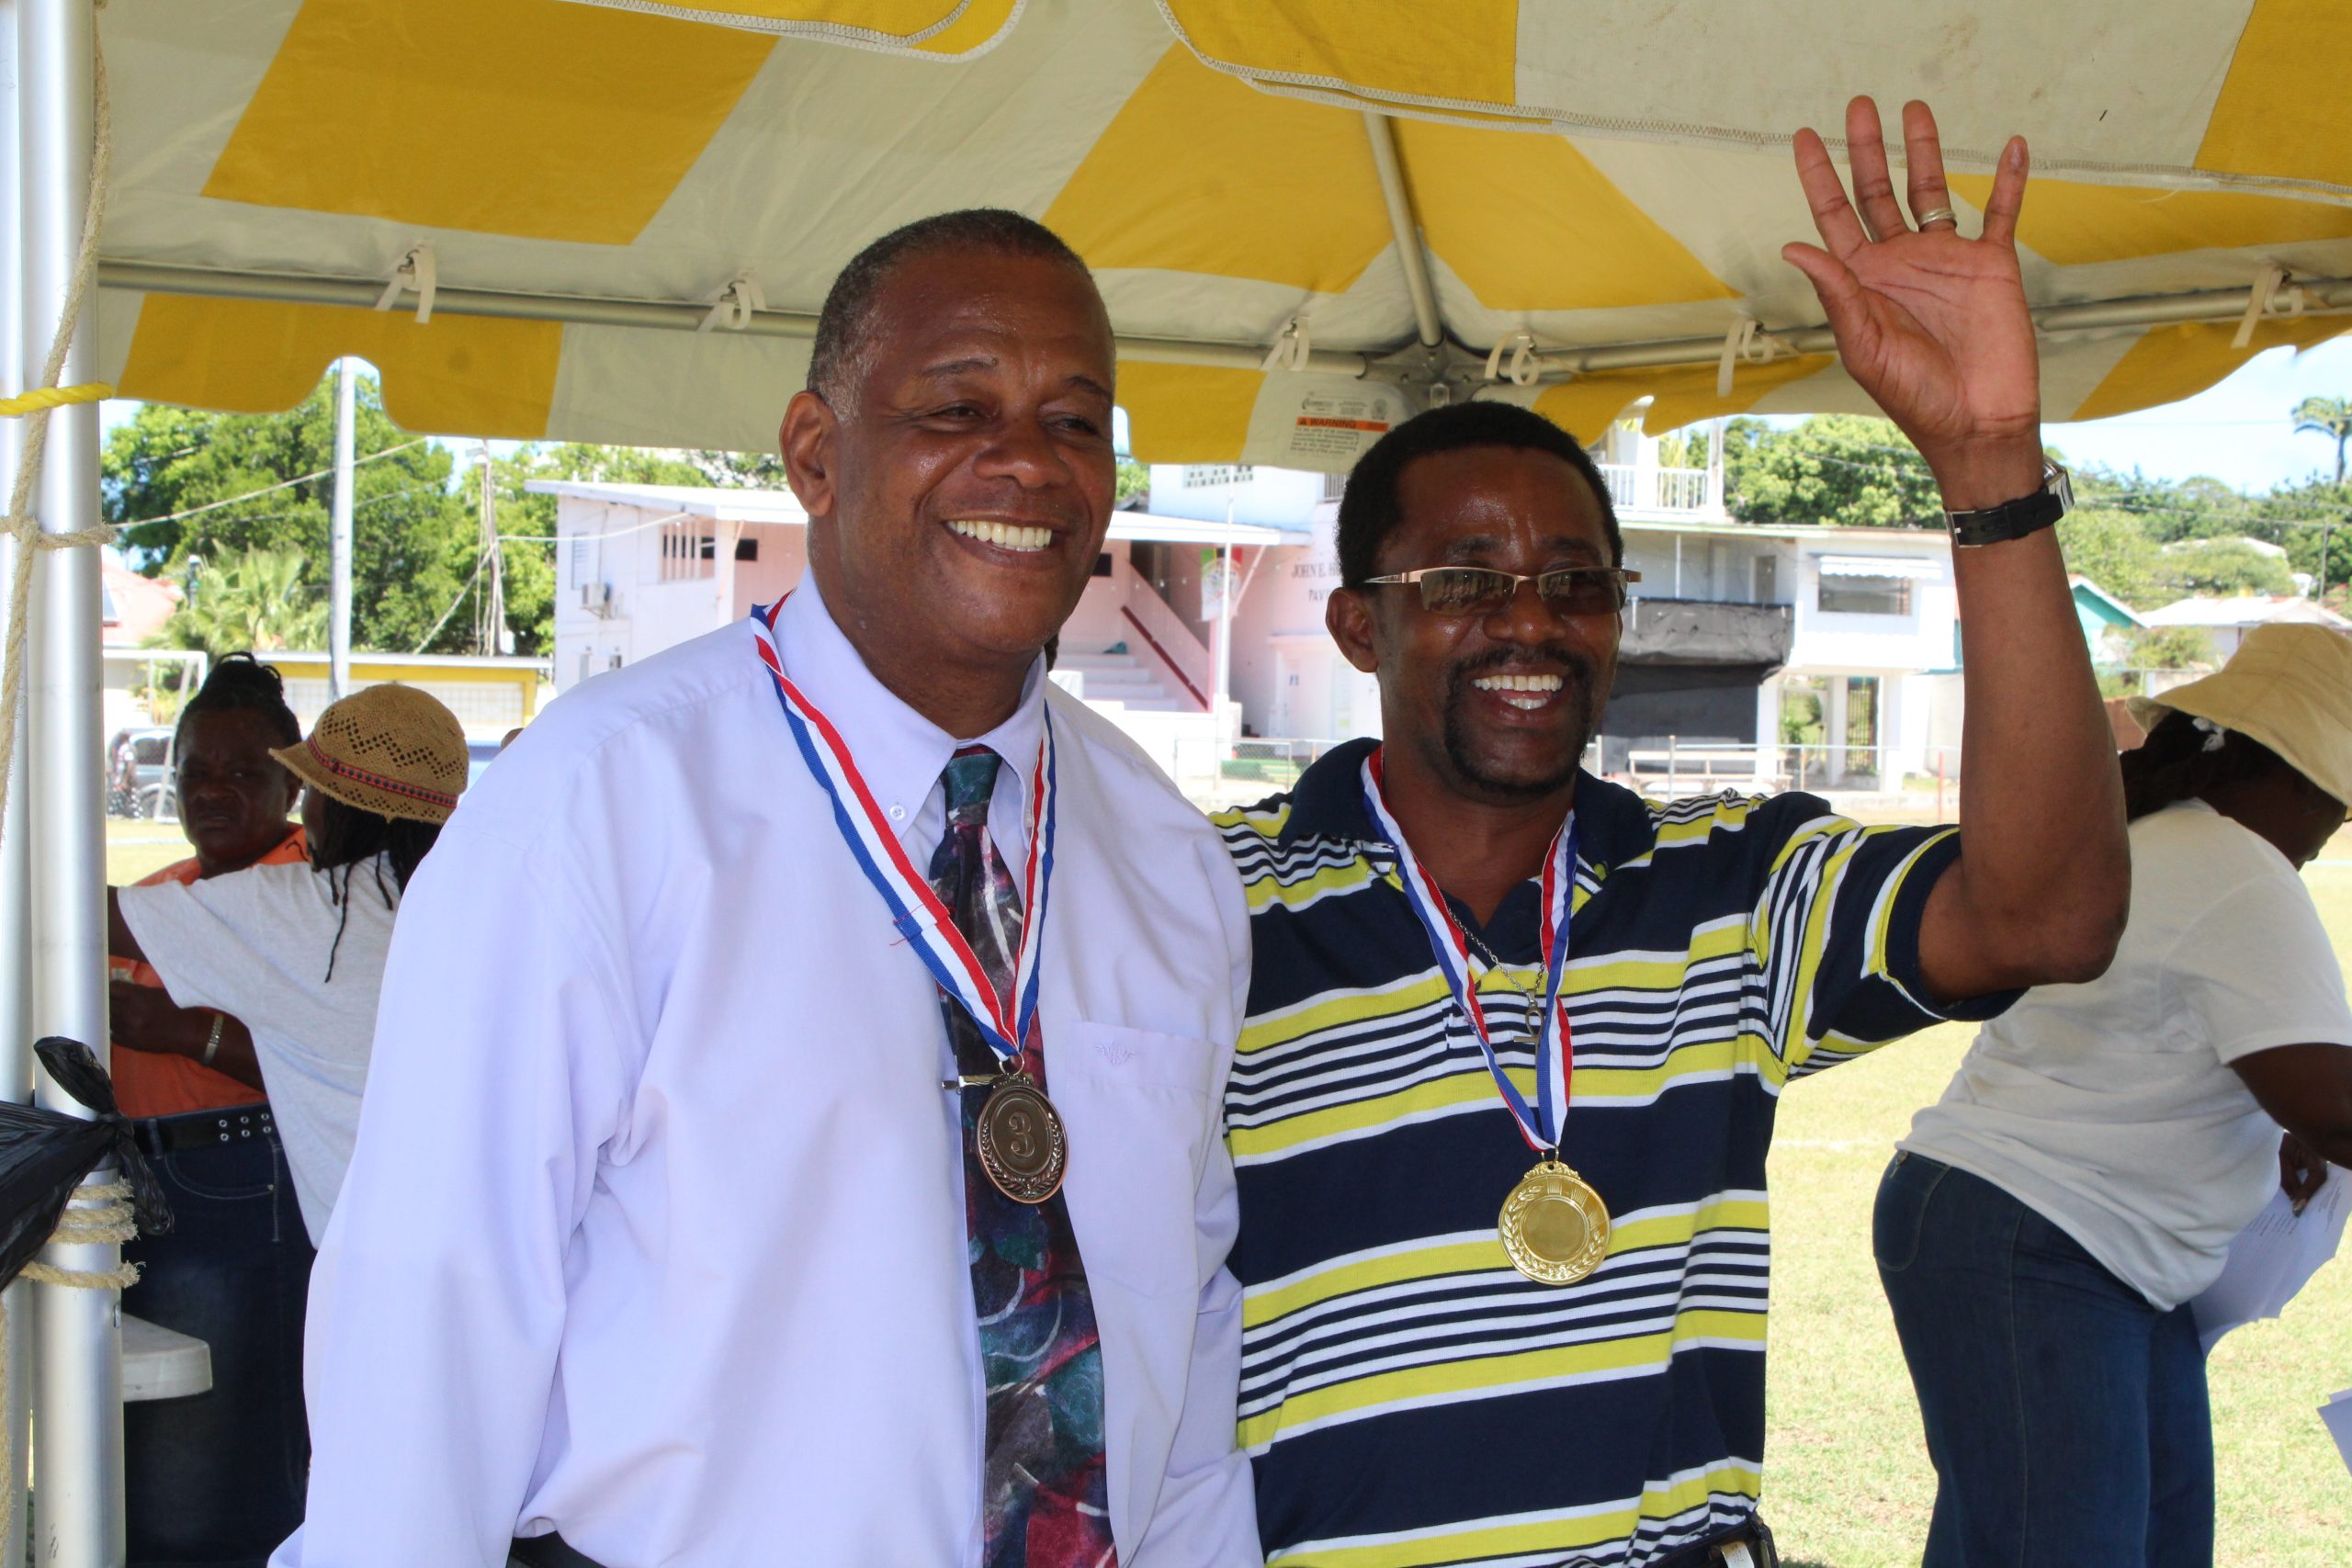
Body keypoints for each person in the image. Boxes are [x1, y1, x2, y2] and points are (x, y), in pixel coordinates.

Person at [1213, 97, 2129, 1567]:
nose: (1530, 618)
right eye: (1463, 575)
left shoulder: (1727, 884)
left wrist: (1990, 470)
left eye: (1577, 581)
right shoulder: (1209, 905)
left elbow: (2048, 916)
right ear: (1353, 622)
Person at [275, 210, 1258, 1568]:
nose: (1026, 460)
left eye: (1076, 421)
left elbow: (1186, 1339)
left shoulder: (1168, 860)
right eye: (958, 405)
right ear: (814, 452)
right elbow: (437, 1306)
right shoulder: (600, 804)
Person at [1879, 622, 2352, 1568]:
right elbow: (2334, 1105)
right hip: (2039, 1241)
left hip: (2056, 1243)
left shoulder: (2159, 840)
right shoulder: (2235, 871)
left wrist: (2293, 1114)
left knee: (2123, 1540)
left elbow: (2246, 1057)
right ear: (2306, 779)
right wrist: (2308, 1114)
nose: (2332, 832)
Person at [109, 682, 468, 1246]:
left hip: (368, 1251)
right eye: (195, 774)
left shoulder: (304, 906)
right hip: (483, 1240)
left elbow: (77, 914)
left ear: (325, 801)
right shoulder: (473, 900)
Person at [107, 653, 313, 1568]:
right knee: (142, 1460)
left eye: (243, 772)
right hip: (136, 1187)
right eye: (194, 771)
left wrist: (184, 1036)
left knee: (213, 1475)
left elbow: (340, 1066)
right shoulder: (166, 895)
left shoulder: (300, 890)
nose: (213, 792)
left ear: (293, 781)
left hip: (239, 1188)